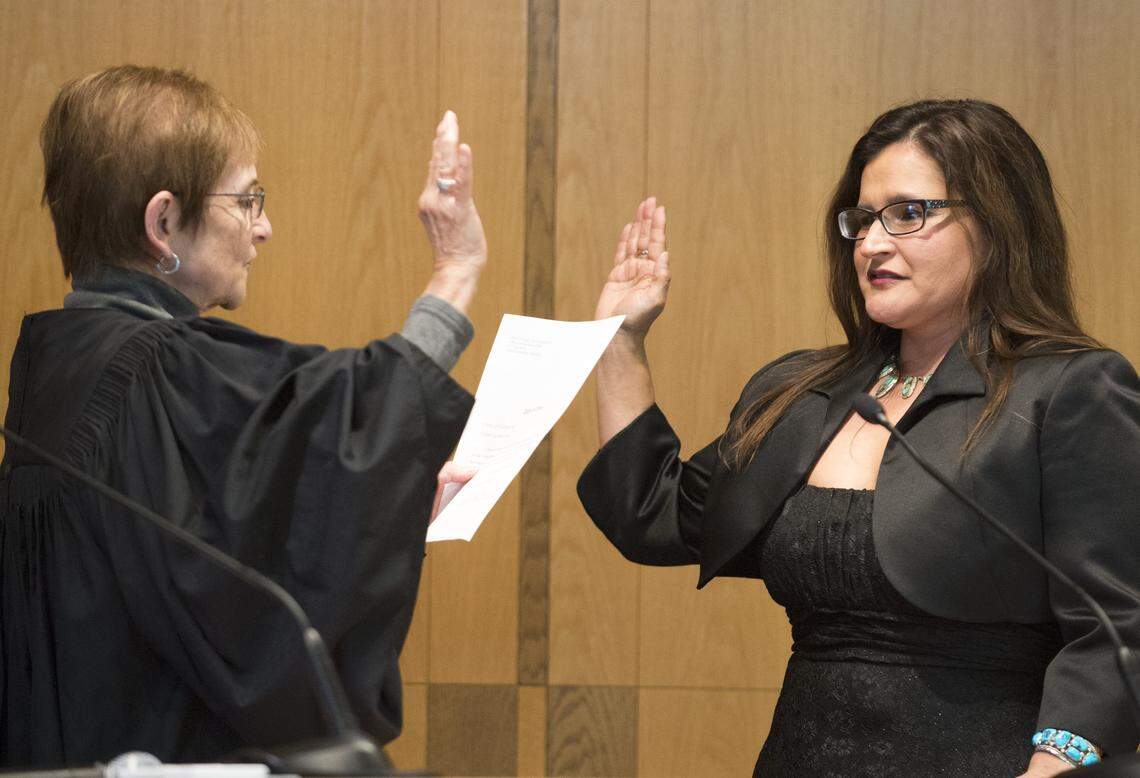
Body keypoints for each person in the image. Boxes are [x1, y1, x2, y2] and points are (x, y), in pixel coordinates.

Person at [578, 99, 1140, 777]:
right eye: (863, 219)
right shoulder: (800, 390)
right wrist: (619, 342)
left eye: (908, 213)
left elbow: (1118, 622)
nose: (872, 243)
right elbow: (652, 516)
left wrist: (1055, 765)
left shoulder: (1071, 390)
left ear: (997, 224)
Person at [1, 65, 484, 767]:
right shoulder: (160, 374)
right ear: (164, 223)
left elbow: (216, 568)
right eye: (247, 199)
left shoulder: (55, 363)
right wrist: (456, 271)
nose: (264, 227)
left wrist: (389, 502)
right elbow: (358, 422)